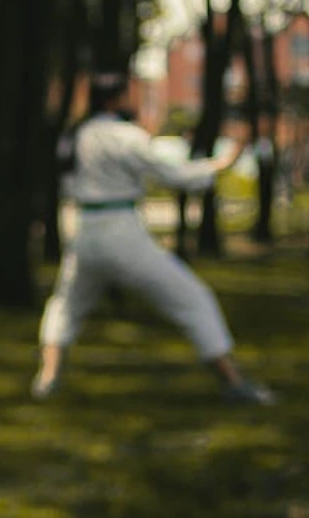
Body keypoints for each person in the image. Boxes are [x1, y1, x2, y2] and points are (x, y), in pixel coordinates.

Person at [32, 72, 274, 405]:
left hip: (85, 231)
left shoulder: (78, 134)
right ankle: (233, 382)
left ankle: (47, 378)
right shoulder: (126, 136)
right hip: (122, 232)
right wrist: (220, 164)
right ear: (116, 98)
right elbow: (171, 174)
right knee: (193, 298)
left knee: (66, 304)